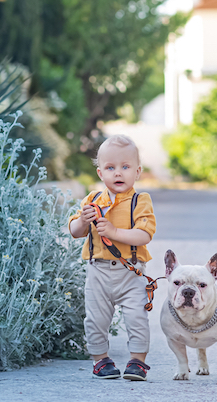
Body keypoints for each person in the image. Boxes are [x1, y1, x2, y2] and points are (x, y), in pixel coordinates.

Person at [68, 135, 156, 381]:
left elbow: (144, 234)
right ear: (100, 173)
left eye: (125, 167)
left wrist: (115, 232)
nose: (118, 173)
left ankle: (137, 362)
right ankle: (101, 360)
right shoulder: (92, 200)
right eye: (110, 168)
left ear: (137, 172)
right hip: (99, 272)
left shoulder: (141, 201)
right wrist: (83, 221)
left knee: (137, 317)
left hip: (131, 271)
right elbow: (75, 232)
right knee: (95, 319)